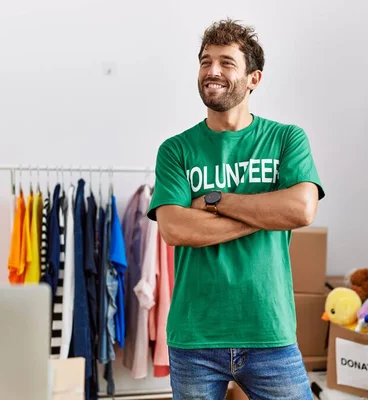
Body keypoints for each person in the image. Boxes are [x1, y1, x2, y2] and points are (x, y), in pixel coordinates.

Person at [147, 18, 325, 400]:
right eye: (205, 61)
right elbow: (175, 229)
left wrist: (216, 202)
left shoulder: (285, 139)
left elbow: (301, 210)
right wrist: (266, 215)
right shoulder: (176, 150)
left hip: (268, 330)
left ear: (253, 79)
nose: (212, 71)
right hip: (195, 335)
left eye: (227, 62)